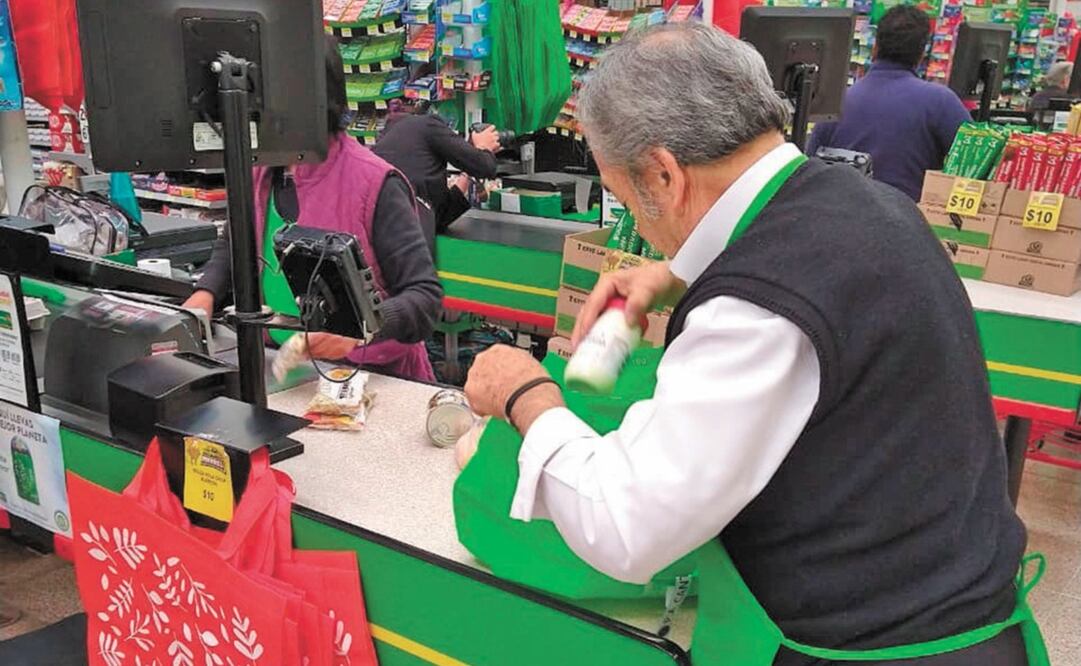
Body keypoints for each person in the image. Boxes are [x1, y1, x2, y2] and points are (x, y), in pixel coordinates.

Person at [464, 23, 1040, 665]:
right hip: (961, 604)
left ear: (662, 175)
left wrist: (526, 394)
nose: (638, 221)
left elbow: (625, 527)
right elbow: (804, 269)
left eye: (624, 192)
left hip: (884, 647)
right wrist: (677, 271)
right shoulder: (869, 203)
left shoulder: (755, 307)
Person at [185, 36, 442, 382]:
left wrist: (361, 326)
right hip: (284, 371)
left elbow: (424, 299)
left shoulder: (373, 182)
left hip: (374, 379)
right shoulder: (259, 171)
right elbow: (234, 246)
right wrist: (205, 295)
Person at [807, 6, 972, 201]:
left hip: (840, 217)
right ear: (921, 53)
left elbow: (810, 171)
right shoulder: (940, 102)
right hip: (908, 222)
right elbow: (974, 165)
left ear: (875, 47)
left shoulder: (836, 102)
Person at [373, 101, 501, 242]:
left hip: (386, 235)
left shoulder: (386, 140)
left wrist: (467, 168)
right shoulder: (427, 124)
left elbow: (439, 216)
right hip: (410, 241)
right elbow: (485, 167)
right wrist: (484, 147)